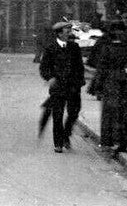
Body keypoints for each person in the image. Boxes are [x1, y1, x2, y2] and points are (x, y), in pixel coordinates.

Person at [88, 20, 127, 154]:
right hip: (125, 82)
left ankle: (112, 140)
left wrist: (97, 85)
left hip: (111, 82)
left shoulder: (107, 47)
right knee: (125, 112)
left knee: (111, 112)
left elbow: (101, 67)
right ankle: (125, 140)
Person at [39, 20, 85, 153]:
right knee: (58, 115)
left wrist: (79, 81)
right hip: (58, 87)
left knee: (74, 112)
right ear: (59, 33)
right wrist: (50, 78)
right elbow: (44, 67)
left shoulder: (74, 47)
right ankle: (58, 143)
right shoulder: (50, 48)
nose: (69, 32)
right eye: (66, 30)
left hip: (73, 86)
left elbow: (80, 66)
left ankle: (66, 134)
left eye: (69, 30)